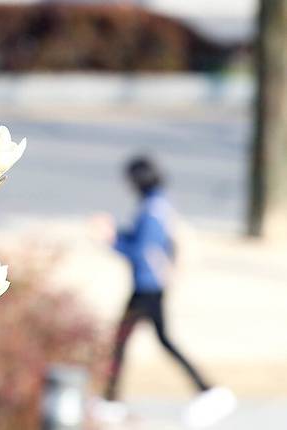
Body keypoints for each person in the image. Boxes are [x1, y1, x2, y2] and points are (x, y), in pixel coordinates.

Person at [91, 156, 236, 428]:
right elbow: (137, 240)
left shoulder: (152, 209)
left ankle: (206, 390)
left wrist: (111, 241)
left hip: (148, 287)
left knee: (130, 339)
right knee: (144, 340)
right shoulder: (157, 204)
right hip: (149, 286)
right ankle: (113, 397)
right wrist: (116, 236)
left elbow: (140, 251)